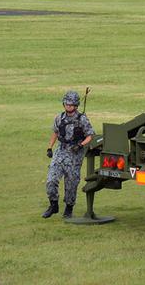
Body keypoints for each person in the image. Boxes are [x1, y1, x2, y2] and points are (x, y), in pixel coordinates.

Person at [43, 90, 94, 219]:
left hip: (74, 153)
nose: (68, 106)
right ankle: (53, 205)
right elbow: (55, 132)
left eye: (71, 104)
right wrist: (50, 147)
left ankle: (69, 208)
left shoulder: (81, 119)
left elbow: (90, 136)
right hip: (61, 151)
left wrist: (81, 145)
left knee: (71, 182)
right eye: (67, 104)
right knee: (51, 180)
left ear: (76, 105)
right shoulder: (59, 118)